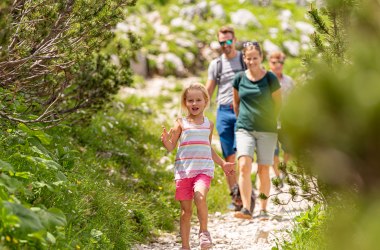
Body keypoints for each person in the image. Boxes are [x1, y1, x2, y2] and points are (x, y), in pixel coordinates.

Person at [161, 83, 235, 250]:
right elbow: (172, 146)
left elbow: (207, 147)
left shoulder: (209, 124)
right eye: (190, 100)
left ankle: (204, 231)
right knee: (186, 212)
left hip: (203, 170)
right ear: (185, 102)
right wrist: (167, 142)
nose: (194, 104)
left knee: (200, 196)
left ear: (205, 101)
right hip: (184, 172)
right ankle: (185, 246)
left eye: (198, 100)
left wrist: (222, 163)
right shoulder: (180, 123)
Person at [232, 42, 282, 220]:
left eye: (255, 57)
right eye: (248, 58)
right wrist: (242, 119)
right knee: (244, 166)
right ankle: (246, 208)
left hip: (267, 130)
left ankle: (263, 209)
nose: (252, 61)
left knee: (263, 169)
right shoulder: (239, 78)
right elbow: (236, 103)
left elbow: (278, 103)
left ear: (261, 57)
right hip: (244, 128)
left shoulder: (270, 78)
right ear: (244, 59)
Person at [205, 26, 246, 210]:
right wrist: (194, 114)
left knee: (243, 153)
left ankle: (246, 193)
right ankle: (235, 196)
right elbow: (208, 91)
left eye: (228, 41)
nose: (225, 45)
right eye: (222, 42)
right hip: (223, 112)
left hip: (243, 111)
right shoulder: (216, 65)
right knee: (228, 155)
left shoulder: (244, 60)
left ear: (234, 40)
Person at [268, 51, 295, 187]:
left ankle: (283, 170)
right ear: (269, 63)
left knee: (288, 148)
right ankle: (277, 177)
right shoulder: (264, 80)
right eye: (274, 63)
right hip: (269, 120)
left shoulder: (289, 81)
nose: (277, 66)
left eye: (280, 63)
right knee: (274, 151)